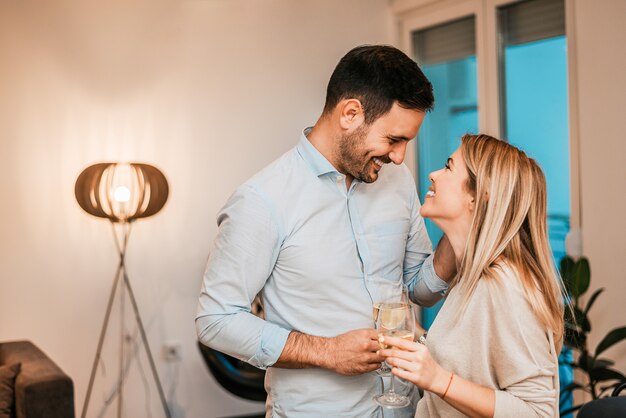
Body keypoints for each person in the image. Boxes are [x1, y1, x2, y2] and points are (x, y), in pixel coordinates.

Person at [195, 44, 456, 417]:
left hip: (404, 410)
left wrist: (465, 233)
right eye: (393, 140)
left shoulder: (397, 181)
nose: (398, 157)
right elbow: (215, 319)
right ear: (350, 113)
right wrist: (327, 351)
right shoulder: (262, 199)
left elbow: (419, 287)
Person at [379, 134, 566, 417]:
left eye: (449, 166)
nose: (433, 174)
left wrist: (437, 380)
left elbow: (539, 412)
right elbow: (472, 363)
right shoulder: (470, 277)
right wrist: (417, 341)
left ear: (478, 196)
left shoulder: (505, 286)